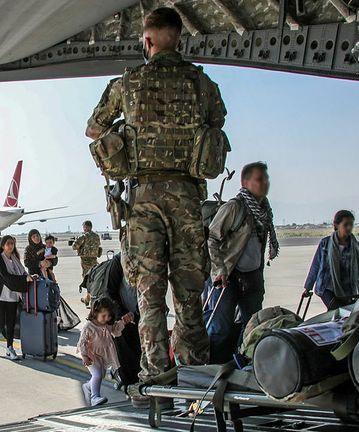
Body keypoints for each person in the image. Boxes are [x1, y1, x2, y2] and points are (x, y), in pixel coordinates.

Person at [86, 7, 227, 393]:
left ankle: (158, 379)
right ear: (178, 38)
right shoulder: (203, 84)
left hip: (144, 199)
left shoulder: (127, 83)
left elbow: (93, 129)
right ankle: (195, 374)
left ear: (146, 40)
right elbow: (217, 124)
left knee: (149, 296)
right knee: (189, 294)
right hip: (187, 196)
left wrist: (126, 129)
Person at [207, 162, 278, 363]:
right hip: (228, 277)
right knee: (220, 328)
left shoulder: (265, 211)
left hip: (253, 276)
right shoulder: (234, 207)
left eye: (266, 179)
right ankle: (214, 368)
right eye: (259, 179)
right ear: (245, 182)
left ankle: (239, 364)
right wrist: (219, 269)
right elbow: (212, 238)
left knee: (251, 327)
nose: (265, 183)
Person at [304, 210, 359, 310]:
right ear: (337, 225)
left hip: (346, 289)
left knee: (343, 314)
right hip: (327, 286)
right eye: (345, 225)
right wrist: (308, 287)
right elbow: (316, 265)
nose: (349, 228)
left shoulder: (356, 247)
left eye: (351, 224)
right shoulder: (325, 244)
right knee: (336, 309)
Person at [77, 297, 135, 407]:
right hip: (91, 355)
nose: (106, 318)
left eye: (108, 316)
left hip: (102, 356)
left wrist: (124, 321)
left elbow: (116, 329)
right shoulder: (89, 327)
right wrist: (84, 356)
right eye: (103, 316)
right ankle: (94, 397)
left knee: (100, 375)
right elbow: (82, 342)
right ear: (95, 313)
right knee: (97, 375)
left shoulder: (107, 325)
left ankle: (88, 387)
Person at [0, 235, 33, 360]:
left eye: (12, 244)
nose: (10, 246)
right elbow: (6, 277)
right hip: (1, 296)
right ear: (2, 246)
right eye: (8, 243)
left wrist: (29, 276)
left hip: (13, 297)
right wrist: (24, 279)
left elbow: (23, 272)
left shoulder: (15, 259)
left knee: (11, 324)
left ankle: (10, 348)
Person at [73, 221, 101, 306]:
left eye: (84, 227)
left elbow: (74, 246)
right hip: (94, 260)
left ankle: (91, 299)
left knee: (88, 280)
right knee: (94, 278)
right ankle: (87, 299)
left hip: (85, 261)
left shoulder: (84, 236)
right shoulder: (96, 236)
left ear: (85, 227)